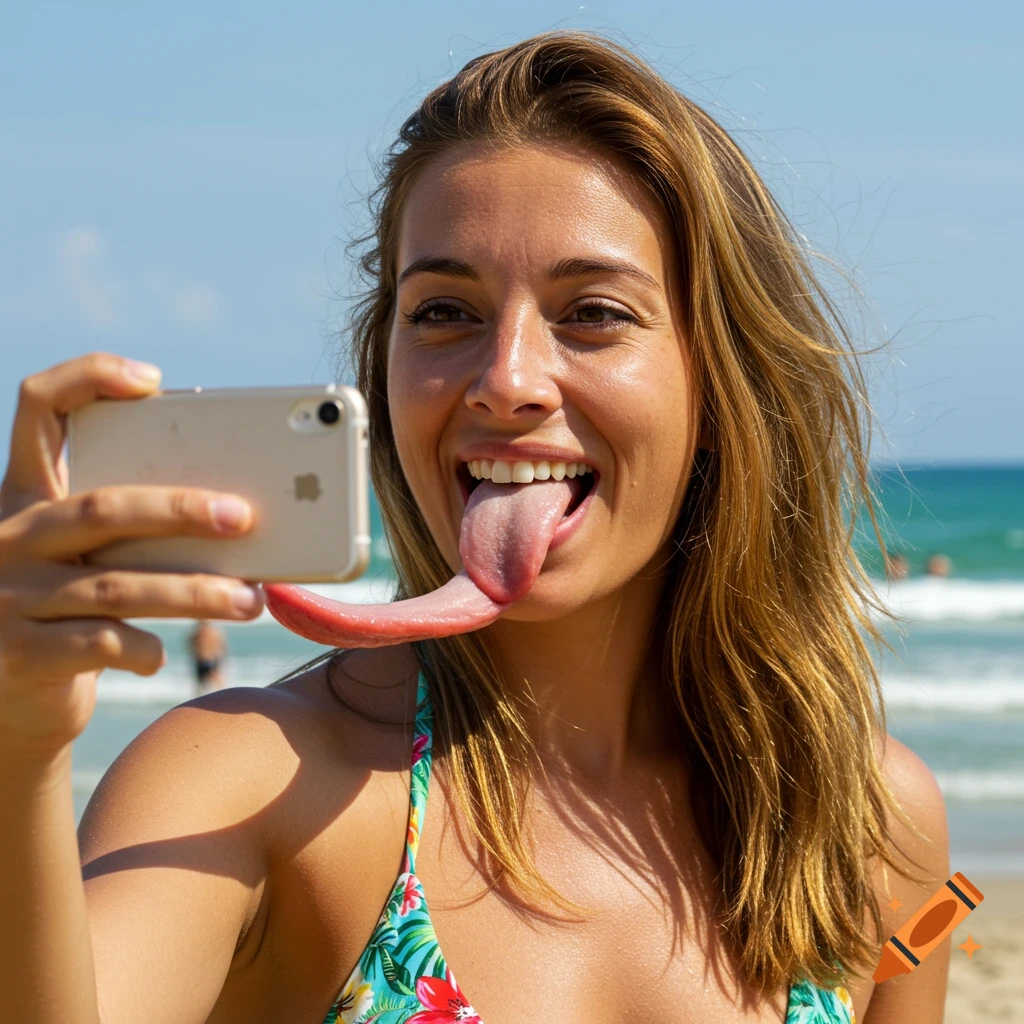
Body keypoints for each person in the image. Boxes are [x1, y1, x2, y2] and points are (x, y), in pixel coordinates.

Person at [0, 32, 950, 1024]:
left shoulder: (869, 827)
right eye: (444, 311)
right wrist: (17, 753)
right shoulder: (249, 782)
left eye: (590, 312)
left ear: (717, 381)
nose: (505, 380)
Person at [189, 619, 227, 691]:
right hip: (206, 659)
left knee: (213, 682)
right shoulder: (215, 632)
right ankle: (221, 697)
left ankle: (221, 697)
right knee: (203, 684)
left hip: (207, 659)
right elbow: (222, 647)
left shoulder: (197, 633)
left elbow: (192, 646)